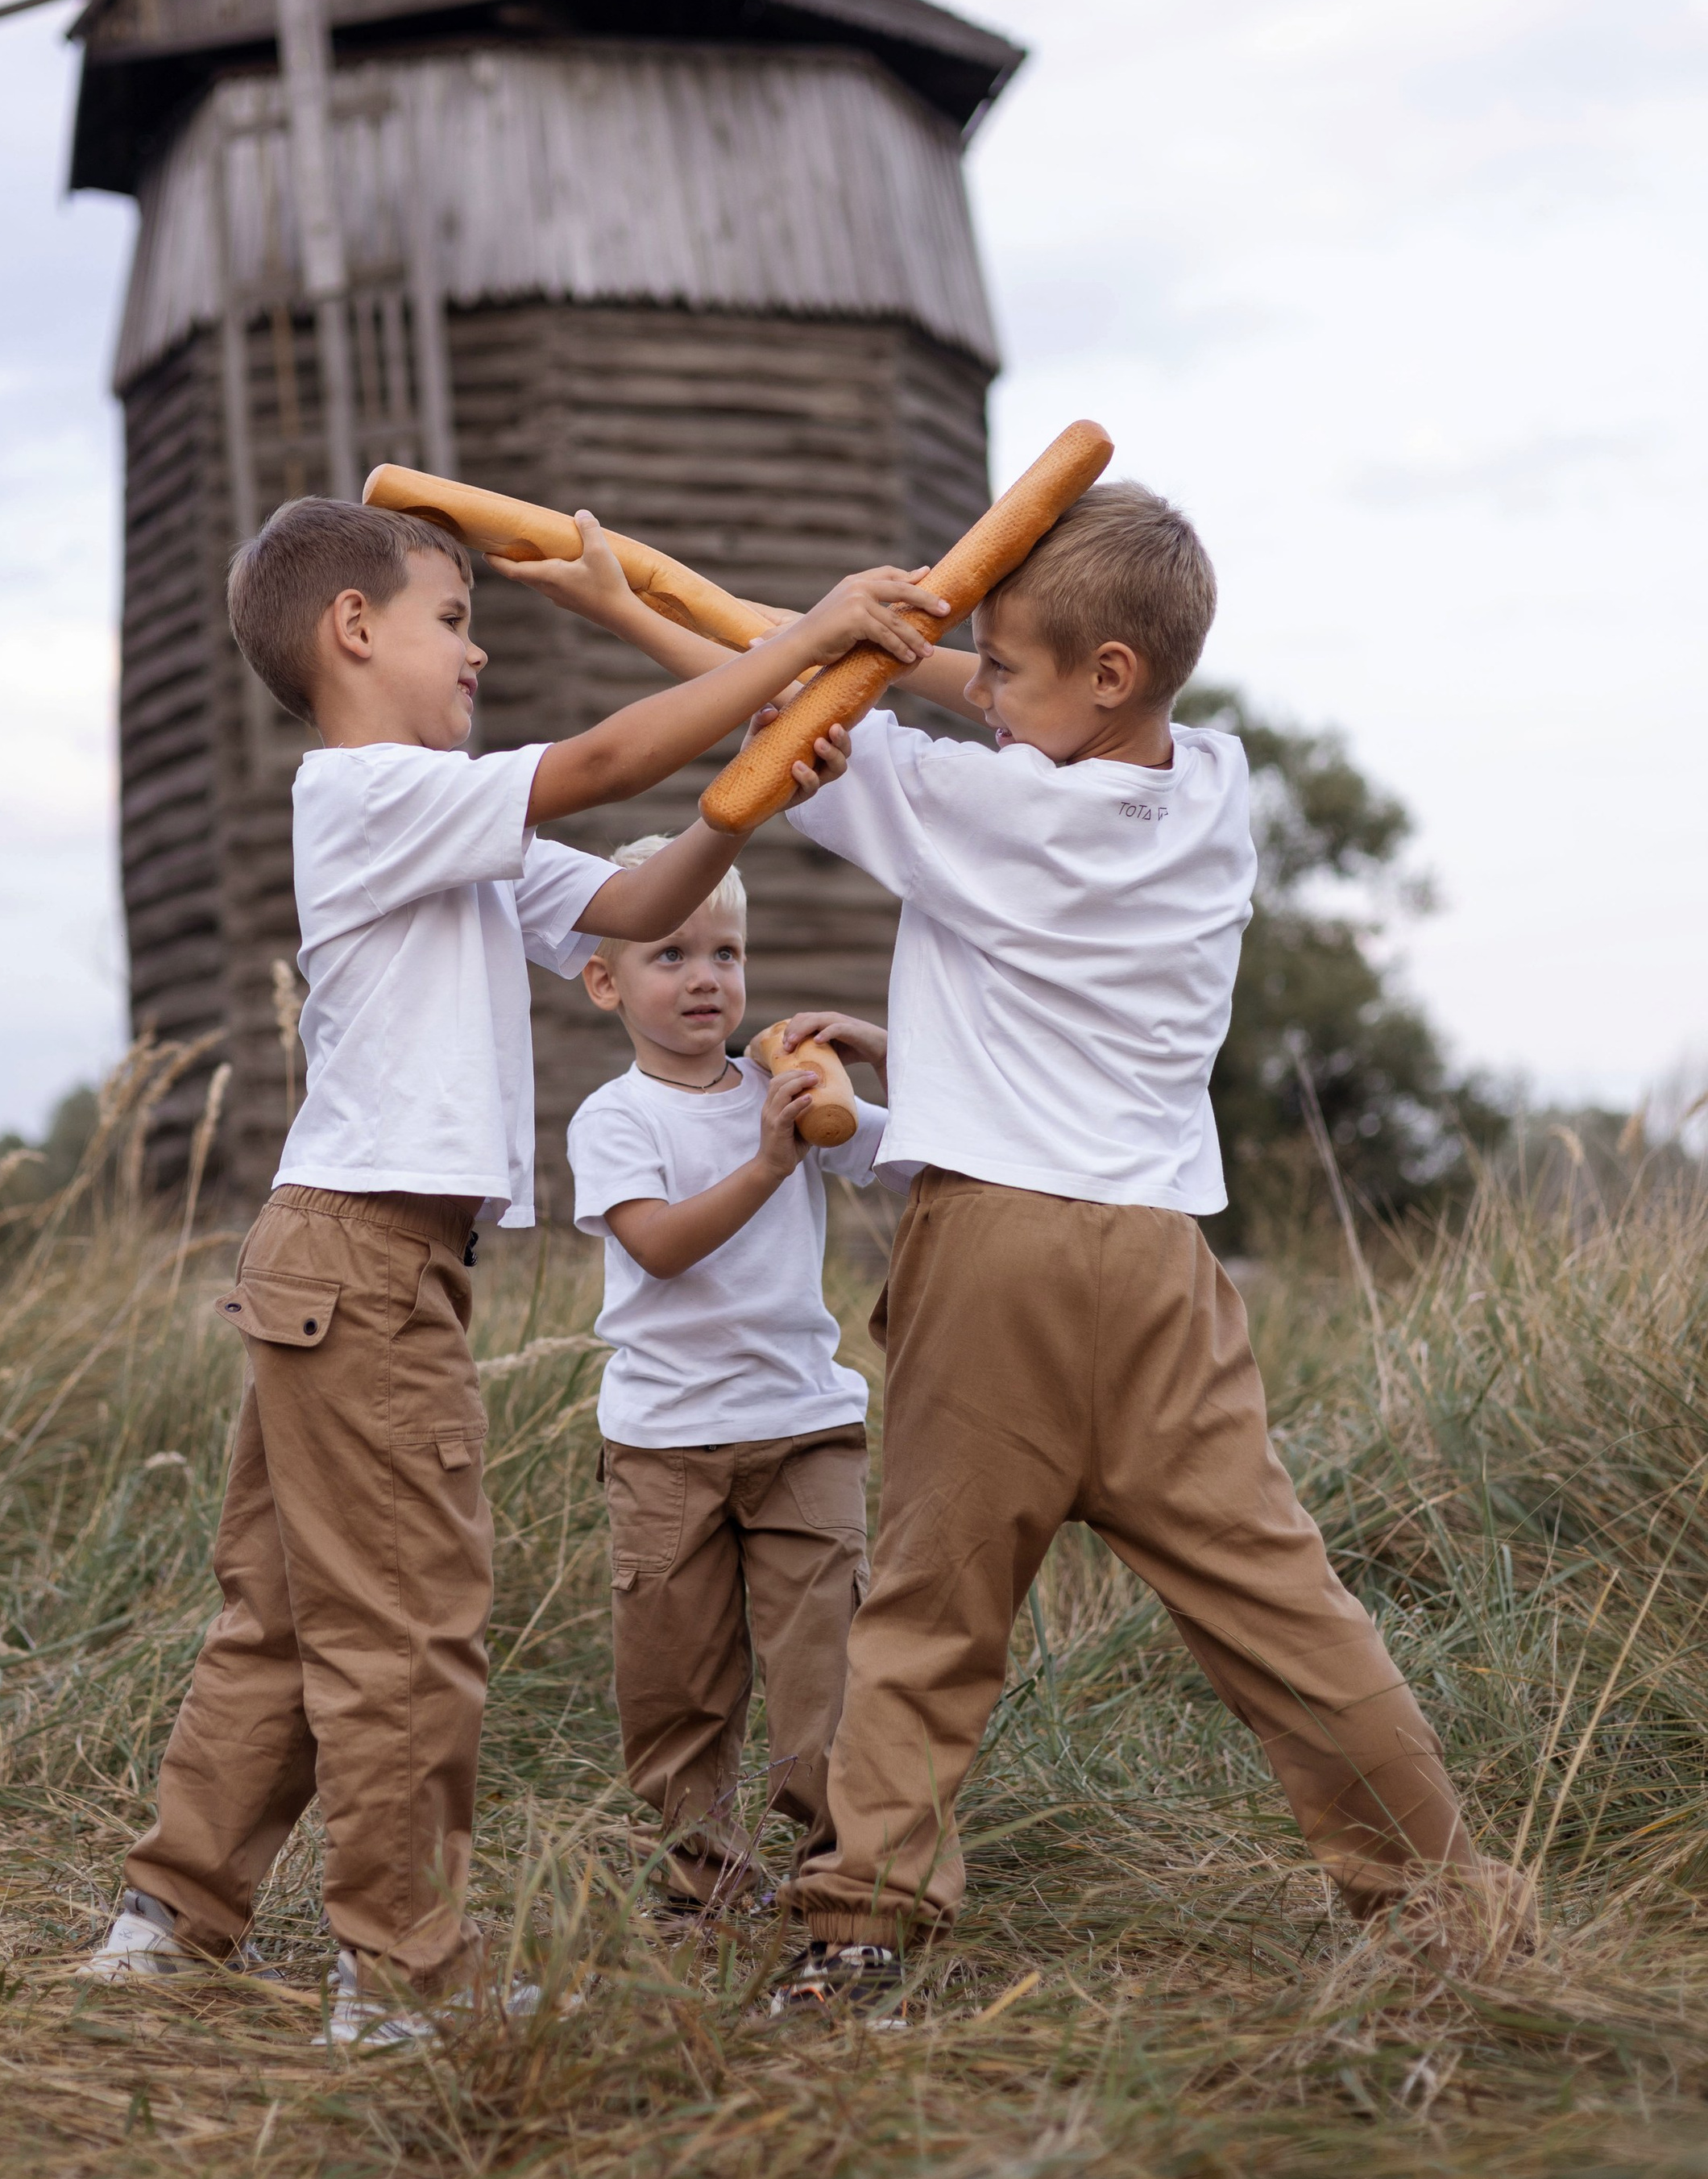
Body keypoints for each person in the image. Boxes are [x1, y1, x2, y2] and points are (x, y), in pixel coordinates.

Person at [504, 485, 1524, 2016]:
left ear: (1105, 675)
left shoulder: (974, 806)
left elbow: (791, 704)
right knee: (1285, 1605)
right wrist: (933, 649)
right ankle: (1448, 1908)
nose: (978, 696)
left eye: (1005, 674)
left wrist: (624, 603)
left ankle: (860, 1933)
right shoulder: (1216, 789)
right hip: (1165, 1267)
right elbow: (954, 696)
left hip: (999, 1254)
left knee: (925, 1608)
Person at [73, 495, 935, 2043]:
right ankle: (399, 1976)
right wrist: (799, 642)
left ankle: (171, 1918)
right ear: (355, 631)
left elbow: (639, 897)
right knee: (409, 1618)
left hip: (337, 1260)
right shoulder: (367, 792)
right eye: (453, 621)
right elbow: (602, 767)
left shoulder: (455, 833)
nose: (476, 653)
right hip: (366, 1262)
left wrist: (749, 793)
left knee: (283, 1611)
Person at [566, 836, 893, 1916]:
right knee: (676, 1691)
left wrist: (877, 1051)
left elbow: (926, 1145)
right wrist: (765, 1163)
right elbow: (656, 1244)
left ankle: (844, 1891)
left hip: (802, 1428)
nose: (707, 978)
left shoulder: (788, 1089)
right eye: (670, 955)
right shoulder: (617, 1118)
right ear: (605, 981)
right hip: (664, 1447)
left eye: (727, 952)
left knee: (828, 1684)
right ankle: (700, 1894)